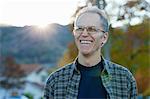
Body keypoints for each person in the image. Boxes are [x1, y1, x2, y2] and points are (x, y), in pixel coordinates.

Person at [44, 6, 138, 99]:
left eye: (92, 29)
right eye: (80, 29)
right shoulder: (55, 81)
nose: (84, 34)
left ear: (104, 38)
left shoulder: (124, 79)